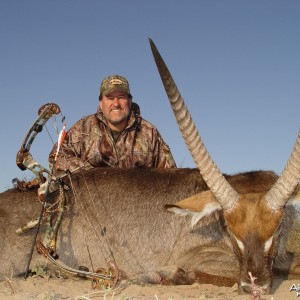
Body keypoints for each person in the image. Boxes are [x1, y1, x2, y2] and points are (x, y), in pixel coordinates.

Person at [49, 74, 177, 176]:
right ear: (101, 103)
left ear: (130, 101)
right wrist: (91, 174)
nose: (116, 103)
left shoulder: (149, 132)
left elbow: (171, 175)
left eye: (121, 97)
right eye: (110, 98)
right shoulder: (83, 128)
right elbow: (56, 158)